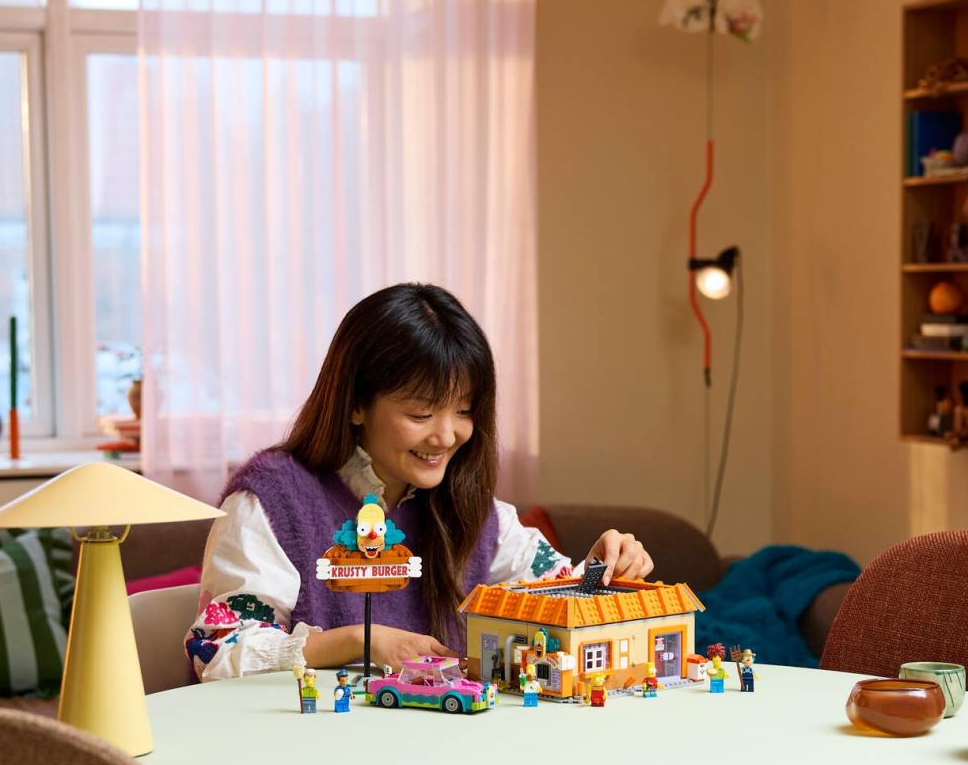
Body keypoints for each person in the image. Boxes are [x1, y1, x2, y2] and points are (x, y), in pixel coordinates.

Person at [188, 283, 655, 680]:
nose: (447, 436)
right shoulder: (272, 501)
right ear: (356, 404)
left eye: (464, 411)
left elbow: (558, 597)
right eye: (422, 413)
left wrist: (602, 570)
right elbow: (220, 649)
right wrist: (360, 640)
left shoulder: (474, 512)